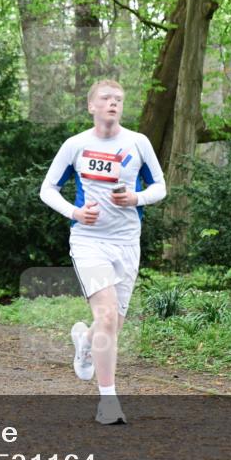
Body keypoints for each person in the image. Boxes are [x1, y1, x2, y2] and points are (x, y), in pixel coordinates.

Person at [40, 79, 166, 424]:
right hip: (89, 242)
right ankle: (108, 403)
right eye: (106, 98)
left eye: (119, 99)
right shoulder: (76, 145)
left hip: (127, 244)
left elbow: (160, 187)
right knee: (107, 316)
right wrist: (74, 212)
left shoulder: (138, 143)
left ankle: (84, 341)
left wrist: (136, 198)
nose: (113, 104)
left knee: (112, 325)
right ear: (91, 106)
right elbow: (47, 189)